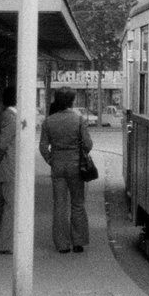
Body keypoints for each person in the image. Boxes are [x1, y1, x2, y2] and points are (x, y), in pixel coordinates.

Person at [38, 87, 90, 254]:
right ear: (72, 101)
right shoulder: (79, 119)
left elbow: (43, 147)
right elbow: (88, 144)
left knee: (59, 205)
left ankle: (62, 244)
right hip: (76, 165)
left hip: (58, 166)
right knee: (77, 203)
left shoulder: (48, 121)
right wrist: (81, 152)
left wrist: (51, 160)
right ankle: (78, 241)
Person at [0, 85, 17, 255]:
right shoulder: (11, 118)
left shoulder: (4, 115)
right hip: (9, 166)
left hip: (5, 166)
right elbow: (2, 145)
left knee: (5, 205)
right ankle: (4, 244)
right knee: (10, 206)